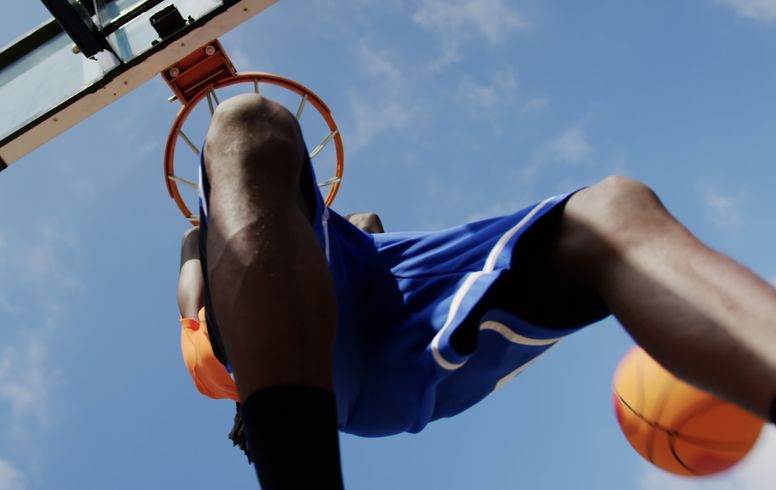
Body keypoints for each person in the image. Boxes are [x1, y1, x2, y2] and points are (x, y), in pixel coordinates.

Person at [176, 93, 776, 489]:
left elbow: (361, 232)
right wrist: (200, 248)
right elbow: (196, 293)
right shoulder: (210, 305)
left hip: (381, 287)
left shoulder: (310, 250)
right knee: (244, 120)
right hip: (334, 368)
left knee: (612, 208)